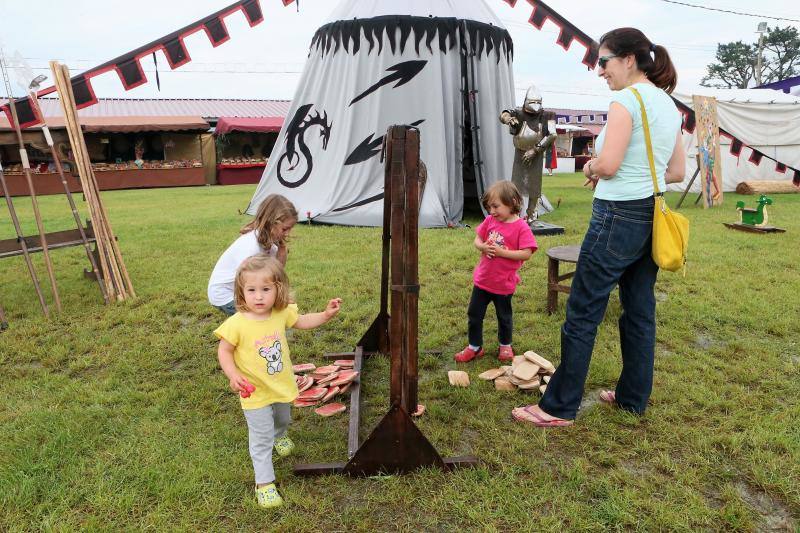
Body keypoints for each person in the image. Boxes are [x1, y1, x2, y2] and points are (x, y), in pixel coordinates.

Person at [513, 27, 686, 427]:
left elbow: (606, 164)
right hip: (652, 215)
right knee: (639, 310)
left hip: (618, 215)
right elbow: (675, 170)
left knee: (583, 309)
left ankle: (557, 407)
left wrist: (592, 167)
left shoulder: (626, 99)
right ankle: (631, 398)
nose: (599, 70)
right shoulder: (667, 104)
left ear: (628, 60)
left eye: (603, 61)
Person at [214, 254, 342, 508]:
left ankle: (280, 435)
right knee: (260, 439)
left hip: (281, 385)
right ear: (242, 292)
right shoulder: (236, 324)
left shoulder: (280, 313)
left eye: (265, 289)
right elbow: (224, 351)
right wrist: (233, 374)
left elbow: (302, 321)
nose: (258, 296)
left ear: (278, 289)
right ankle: (265, 484)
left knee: (283, 419)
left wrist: (326, 315)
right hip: (255, 393)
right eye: (251, 290)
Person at [454, 181, 538, 363]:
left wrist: (502, 253)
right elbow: (477, 238)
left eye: (495, 206)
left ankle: (505, 345)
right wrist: (482, 246)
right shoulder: (490, 221)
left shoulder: (521, 227)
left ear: (513, 202)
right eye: (489, 207)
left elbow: (527, 253)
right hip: (483, 281)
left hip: (504, 283)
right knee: (474, 315)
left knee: (504, 317)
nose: (491, 211)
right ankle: (475, 347)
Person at [208, 194, 297, 315]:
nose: (288, 233)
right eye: (285, 229)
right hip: (225, 294)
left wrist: (282, 251)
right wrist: (276, 301)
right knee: (263, 316)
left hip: (247, 290)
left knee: (271, 312)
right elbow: (251, 281)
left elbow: (276, 272)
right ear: (271, 223)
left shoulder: (271, 243)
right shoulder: (252, 247)